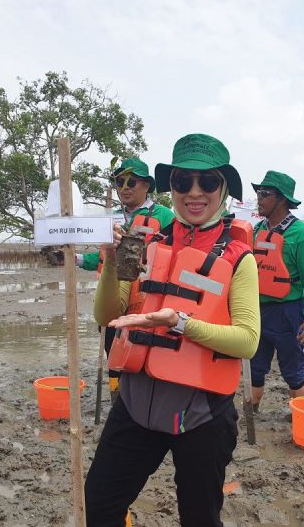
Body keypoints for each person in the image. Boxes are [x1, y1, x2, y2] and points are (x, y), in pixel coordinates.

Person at [85, 134, 260, 526]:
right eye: (183, 182)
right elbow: (107, 313)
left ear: (223, 188)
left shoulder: (239, 258)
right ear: (172, 188)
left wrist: (180, 323)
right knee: (97, 505)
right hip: (135, 404)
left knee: (199, 519)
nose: (194, 193)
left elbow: (248, 341)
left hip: (201, 416)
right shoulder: (145, 243)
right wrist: (112, 262)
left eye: (207, 182)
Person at [76, 158, 174, 398]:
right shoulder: (110, 218)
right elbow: (99, 258)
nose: (125, 187)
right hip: (112, 295)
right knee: (113, 348)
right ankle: (116, 398)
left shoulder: (164, 216)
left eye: (132, 182)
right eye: (120, 182)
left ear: (146, 186)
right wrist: (74, 258)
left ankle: (145, 396)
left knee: (144, 347)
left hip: (146, 297)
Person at [249, 170, 304, 409]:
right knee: (254, 366)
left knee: (293, 371)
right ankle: (250, 411)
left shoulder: (301, 234)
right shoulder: (255, 230)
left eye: (264, 194)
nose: (258, 199)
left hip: (288, 311)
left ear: (281, 199)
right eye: (258, 193)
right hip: (257, 311)